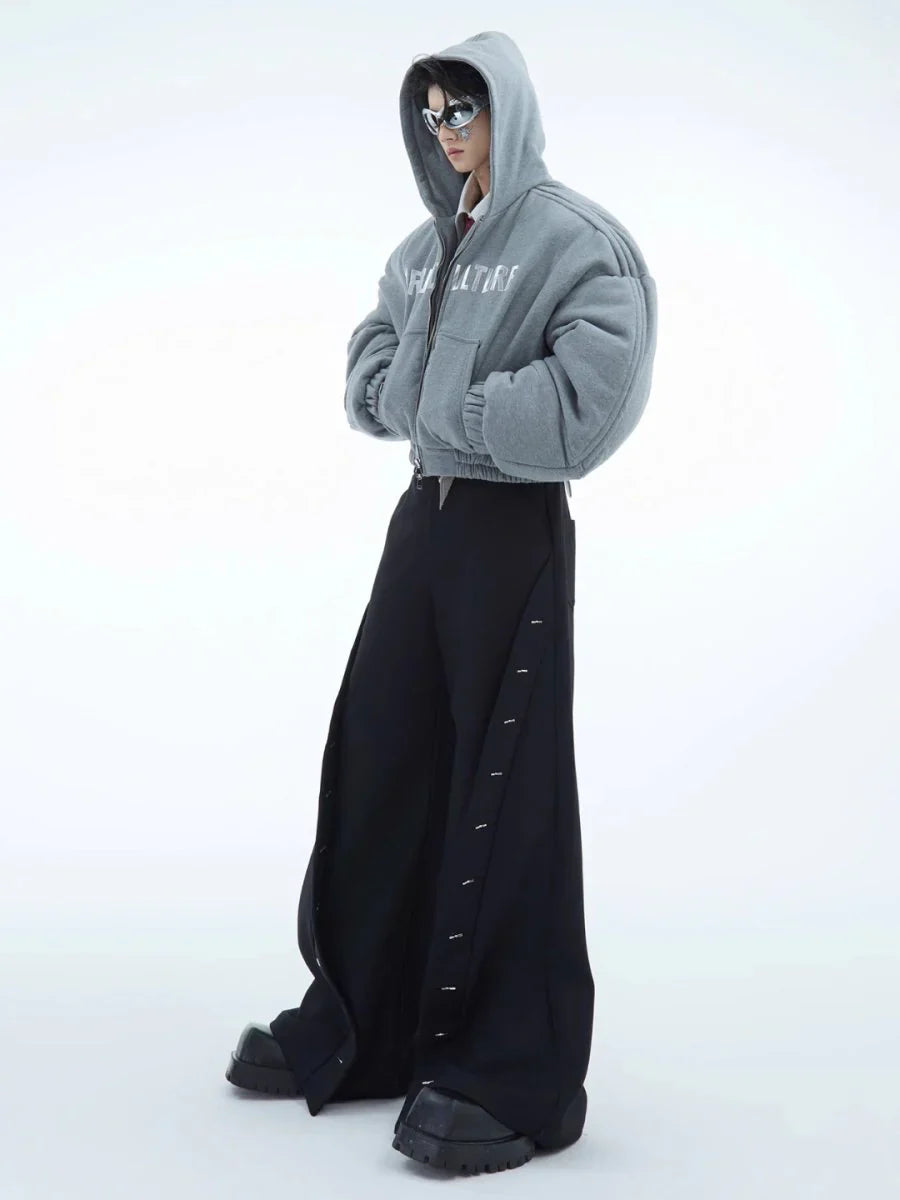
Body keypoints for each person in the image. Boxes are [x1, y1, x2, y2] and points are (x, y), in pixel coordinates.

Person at [225, 29, 658, 1174]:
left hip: (512, 529)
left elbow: (593, 397)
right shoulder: (423, 249)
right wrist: (403, 401)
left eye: (462, 110)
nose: (447, 132)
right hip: (424, 518)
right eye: (431, 116)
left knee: (508, 785)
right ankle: (366, 1023)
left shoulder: (575, 239)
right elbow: (370, 355)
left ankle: (514, 1072)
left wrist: (456, 411)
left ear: (506, 108)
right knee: (380, 752)